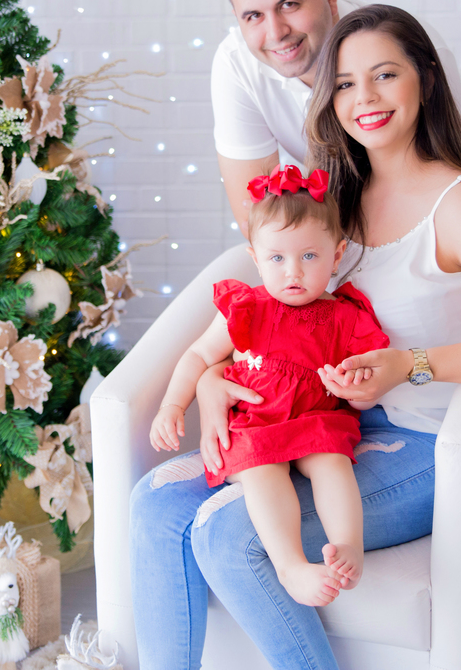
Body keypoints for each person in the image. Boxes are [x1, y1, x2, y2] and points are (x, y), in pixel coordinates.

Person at [129, 3, 461, 669]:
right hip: (313, 421)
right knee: (157, 502)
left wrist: (410, 364)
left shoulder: (460, 201)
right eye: (343, 83)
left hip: (419, 442)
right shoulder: (335, 194)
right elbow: (278, 310)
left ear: (426, 78)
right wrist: (217, 377)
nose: (364, 98)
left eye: (385, 75)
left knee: (228, 535)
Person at [149, 165, 390, 607]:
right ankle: (290, 565)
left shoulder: (346, 316)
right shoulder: (248, 308)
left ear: (337, 255)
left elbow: (365, 382)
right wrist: (172, 405)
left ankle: (348, 546)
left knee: (332, 462)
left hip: (317, 419)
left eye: (309, 256)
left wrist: (353, 383)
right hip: (256, 424)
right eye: (277, 258)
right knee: (263, 472)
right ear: (256, 258)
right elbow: (199, 356)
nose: (293, 272)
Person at [211, 0, 461, 238]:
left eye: (289, 4)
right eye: (254, 15)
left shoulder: (404, 44)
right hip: (335, 186)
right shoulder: (236, 64)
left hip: (437, 171)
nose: (276, 33)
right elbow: (256, 216)